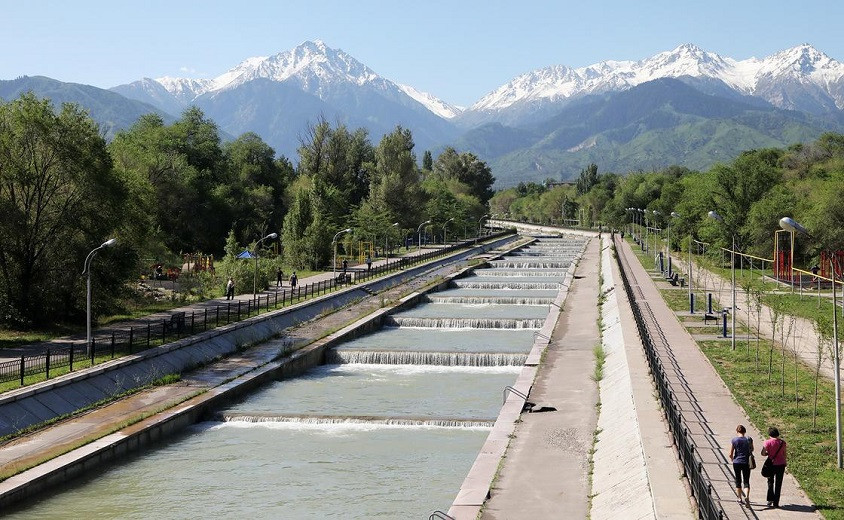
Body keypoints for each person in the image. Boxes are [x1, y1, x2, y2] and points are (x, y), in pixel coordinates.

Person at [761, 426, 787, 508]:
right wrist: (785, 462)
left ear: (770, 434)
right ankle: (776, 502)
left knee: (770, 481)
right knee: (779, 483)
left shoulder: (767, 442)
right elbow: (784, 453)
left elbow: (763, 453)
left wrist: (768, 454)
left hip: (771, 464)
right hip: (781, 465)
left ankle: (770, 499)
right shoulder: (783, 443)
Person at [729, 424, 754, 507]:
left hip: (737, 462)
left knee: (738, 480)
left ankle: (739, 498)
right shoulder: (749, 439)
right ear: (745, 431)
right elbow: (752, 449)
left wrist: (733, 460)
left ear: (737, 431)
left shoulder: (734, 440)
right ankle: (747, 497)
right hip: (746, 462)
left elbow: (730, 454)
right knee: (746, 481)